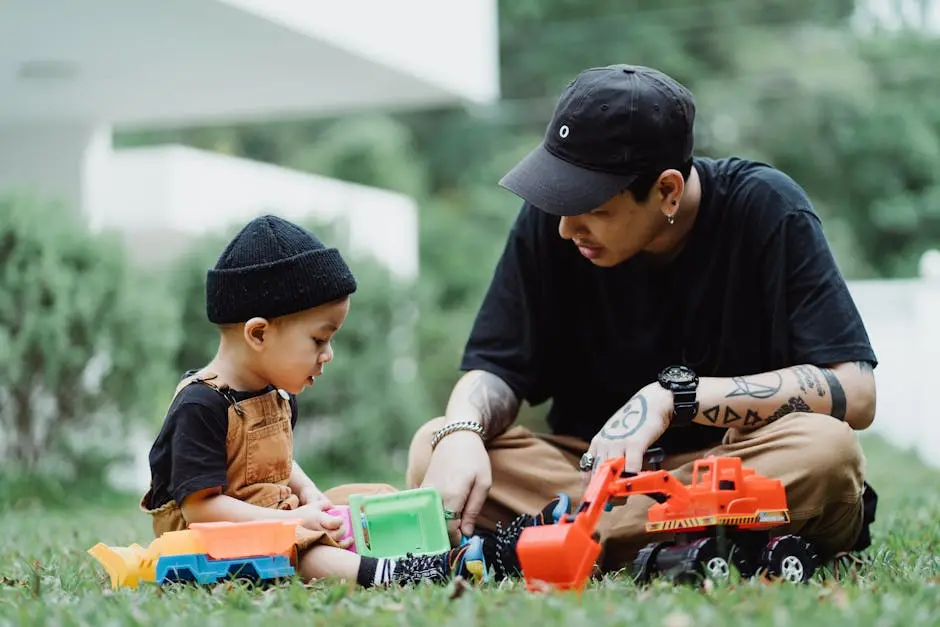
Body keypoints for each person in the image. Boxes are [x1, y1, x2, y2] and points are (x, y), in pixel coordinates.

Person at [407, 64, 879, 574]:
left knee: (828, 452)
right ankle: (680, 544)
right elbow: (496, 367)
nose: (566, 228)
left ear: (668, 191)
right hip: (588, 477)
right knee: (433, 443)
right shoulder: (554, 224)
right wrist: (461, 431)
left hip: (729, 468)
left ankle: (563, 542)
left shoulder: (767, 207)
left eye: (590, 206)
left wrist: (674, 399)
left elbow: (855, 391)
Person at [138, 214, 532, 588]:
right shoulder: (201, 407)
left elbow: (275, 460)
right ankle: (399, 573)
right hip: (212, 537)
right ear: (258, 334)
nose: (328, 354)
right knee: (302, 547)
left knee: (367, 501)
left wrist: (310, 496)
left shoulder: (275, 395)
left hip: (274, 515)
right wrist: (293, 524)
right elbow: (202, 510)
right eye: (319, 340)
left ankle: (478, 544)